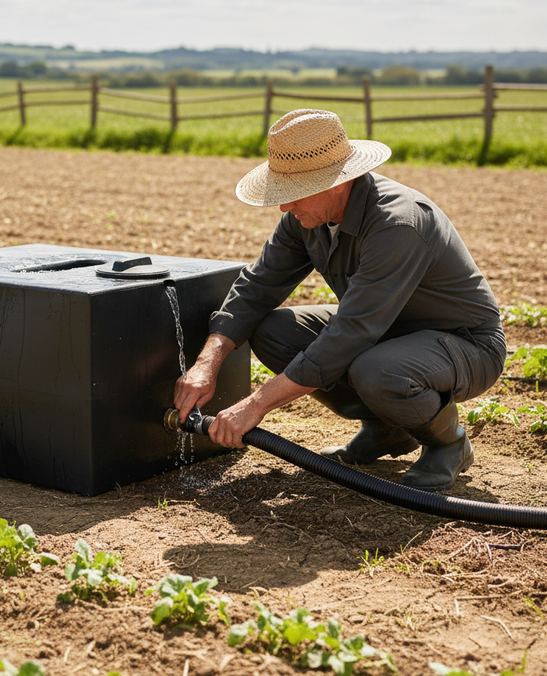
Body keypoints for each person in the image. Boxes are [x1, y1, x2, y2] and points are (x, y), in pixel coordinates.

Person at [174, 108, 506, 492]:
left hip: (464, 344)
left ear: (337, 182)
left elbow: (352, 333)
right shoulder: (306, 218)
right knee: (273, 332)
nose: (284, 206)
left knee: (378, 370)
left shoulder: (397, 224)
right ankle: (387, 429)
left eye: (294, 193)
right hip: (383, 331)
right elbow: (257, 287)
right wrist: (207, 363)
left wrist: (255, 404)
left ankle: (448, 443)